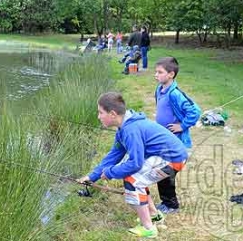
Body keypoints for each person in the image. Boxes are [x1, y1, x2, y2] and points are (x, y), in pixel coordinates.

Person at [77, 92, 188, 238]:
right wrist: (92, 176)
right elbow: (113, 156)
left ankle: (148, 228)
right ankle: (154, 215)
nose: (98, 116)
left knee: (133, 180)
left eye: (100, 112)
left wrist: (110, 172)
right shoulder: (123, 128)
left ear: (112, 114)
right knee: (135, 176)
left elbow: (135, 163)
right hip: (166, 157)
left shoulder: (130, 130)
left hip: (173, 159)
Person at [154, 57, 201, 214]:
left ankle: (171, 205)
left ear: (171, 74)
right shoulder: (159, 90)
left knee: (165, 173)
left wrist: (182, 125)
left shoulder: (175, 93)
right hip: (163, 141)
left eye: (160, 72)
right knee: (160, 171)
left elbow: (195, 111)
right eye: (156, 72)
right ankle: (167, 202)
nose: (156, 75)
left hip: (177, 143)